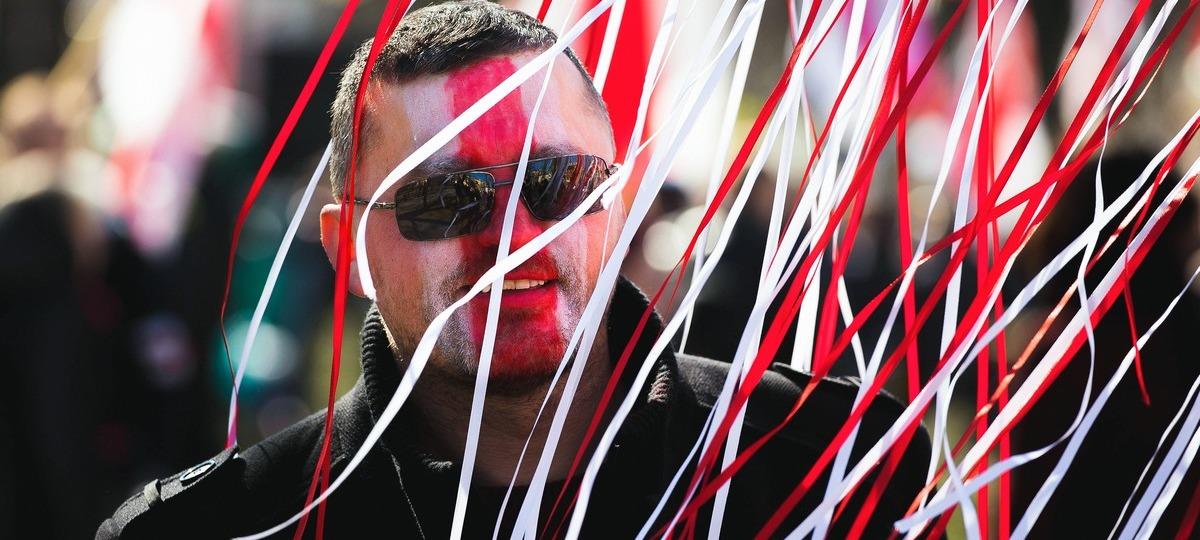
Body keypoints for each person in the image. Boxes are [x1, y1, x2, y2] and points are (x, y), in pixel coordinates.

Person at [98, 2, 930, 537]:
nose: (514, 238)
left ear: (619, 204)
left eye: (557, 184)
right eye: (444, 200)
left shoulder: (831, 468)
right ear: (349, 249)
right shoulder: (224, 527)